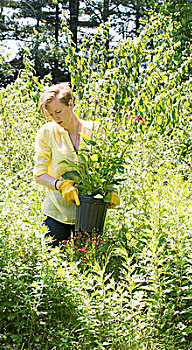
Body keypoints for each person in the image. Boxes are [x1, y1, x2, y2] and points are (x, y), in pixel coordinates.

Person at [33, 83, 117, 247]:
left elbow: (106, 166)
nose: (56, 118)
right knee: (54, 264)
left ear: (71, 104)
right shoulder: (47, 132)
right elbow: (39, 174)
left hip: (89, 211)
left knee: (89, 265)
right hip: (57, 212)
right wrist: (61, 185)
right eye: (51, 115)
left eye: (58, 111)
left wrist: (111, 189)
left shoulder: (95, 129)